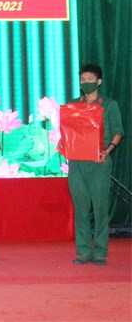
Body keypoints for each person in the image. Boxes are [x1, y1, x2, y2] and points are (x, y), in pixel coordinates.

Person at [68, 64, 124, 265]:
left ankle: (100, 251)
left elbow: (118, 132)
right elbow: (69, 131)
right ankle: (83, 251)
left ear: (99, 82)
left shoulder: (109, 104)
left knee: (100, 209)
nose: (86, 82)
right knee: (81, 209)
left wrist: (108, 150)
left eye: (90, 79)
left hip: (99, 162)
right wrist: (62, 141)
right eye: (82, 79)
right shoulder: (72, 105)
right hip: (77, 163)